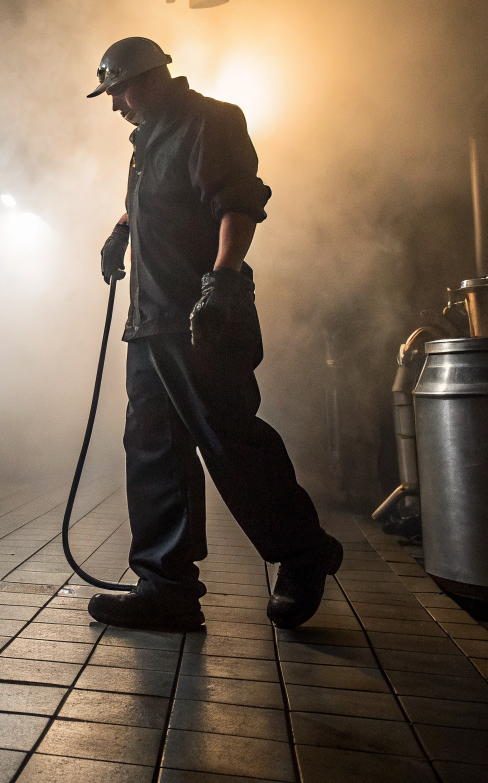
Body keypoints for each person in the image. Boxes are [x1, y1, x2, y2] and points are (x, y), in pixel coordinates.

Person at [86, 36, 340, 632]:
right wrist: (120, 230)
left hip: (200, 315)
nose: (115, 105)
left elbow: (236, 202)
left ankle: (305, 553)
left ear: (146, 79)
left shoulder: (211, 121)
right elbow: (147, 204)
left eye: (118, 90)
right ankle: (165, 586)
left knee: (230, 442)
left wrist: (222, 279)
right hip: (150, 322)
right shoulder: (145, 145)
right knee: (151, 450)